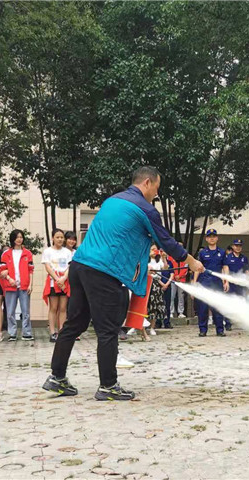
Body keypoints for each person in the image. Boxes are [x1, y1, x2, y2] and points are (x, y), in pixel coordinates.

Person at [45, 166, 203, 401]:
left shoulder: (112, 201)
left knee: (73, 325)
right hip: (103, 272)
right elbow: (166, 241)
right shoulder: (145, 209)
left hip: (79, 266)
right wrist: (191, 262)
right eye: (156, 189)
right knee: (108, 330)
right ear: (147, 182)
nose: (156, 195)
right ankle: (108, 386)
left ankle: (56, 378)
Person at [0, 229, 34, 341]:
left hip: (24, 286)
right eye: (17, 237)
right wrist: (9, 279)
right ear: (12, 239)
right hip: (10, 286)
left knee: (26, 311)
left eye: (21, 237)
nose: (19, 239)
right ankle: (12, 333)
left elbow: (31, 270)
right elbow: (2, 270)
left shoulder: (27, 253)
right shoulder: (6, 254)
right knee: (10, 311)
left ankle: (26, 333)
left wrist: (30, 285)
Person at [194, 229, 229, 337]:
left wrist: (226, 281)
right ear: (206, 239)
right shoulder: (202, 253)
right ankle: (203, 330)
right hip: (204, 283)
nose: (212, 238)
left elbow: (225, 267)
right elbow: (197, 268)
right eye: (210, 236)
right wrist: (194, 282)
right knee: (203, 308)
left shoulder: (222, 252)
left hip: (217, 283)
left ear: (217, 238)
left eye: (214, 236)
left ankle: (220, 330)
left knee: (217, 307)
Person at [41, 229, 73, 343]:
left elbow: (70, 267)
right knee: (53, 308)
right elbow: (48, 267)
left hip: (64, 282)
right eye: (57, 237)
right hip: (52, 282)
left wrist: (63, 279)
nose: (60, 239)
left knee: (63, 308)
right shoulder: (47, 251)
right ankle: (52, 332)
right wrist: (57, 279)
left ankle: (62, 331)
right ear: (52, 238)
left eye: (61, 237)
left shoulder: (67, 252)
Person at [144, 246, 166, 339]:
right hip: (145, 283)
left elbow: (165, 268)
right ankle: (139, 326)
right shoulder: (144, 259)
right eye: (152, 249)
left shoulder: (159, 260)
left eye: (155, 249)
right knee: (144, 305)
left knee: (155, 305)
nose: (154, 251)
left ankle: (152, 327)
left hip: (156, 284)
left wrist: (164, 258)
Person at [168, 243, 188, 318]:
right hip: (173, 279)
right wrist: (174, 275)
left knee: (181, 296)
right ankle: (171, 312)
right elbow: (170, 267)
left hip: (181, 280)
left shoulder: (185, 257)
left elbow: (186, 268)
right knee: (172, 296)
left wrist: (179, 276)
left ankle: (181, 312)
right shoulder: (170, 256)